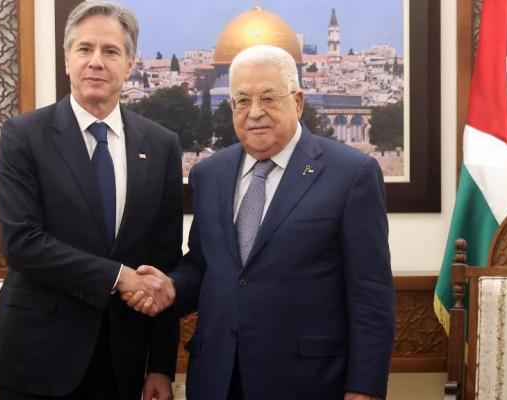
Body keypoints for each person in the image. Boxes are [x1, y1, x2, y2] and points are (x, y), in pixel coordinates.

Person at [125, 45, 395, 399]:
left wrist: (364, 388)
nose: (254, 113)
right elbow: (206, 265)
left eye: (268, 98)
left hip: (308, 382)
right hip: (218, 379)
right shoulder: (209, 174)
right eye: (242, 100)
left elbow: (371, 293)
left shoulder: (351, 174)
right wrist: (171, 288)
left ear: (297, 102)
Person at [0, 1, 181, 399]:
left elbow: (164, 260)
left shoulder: (161, 145)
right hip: (35, 357)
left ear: (130, 64)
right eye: (85, 49)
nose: (96, 61)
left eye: (111, 51)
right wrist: (119, 277)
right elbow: (21, 243)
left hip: (121, 361)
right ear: (67, 59)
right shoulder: (24, 135)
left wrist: (160, 365)